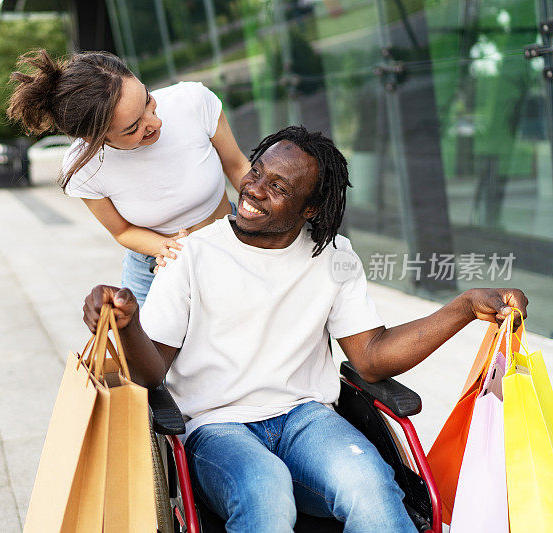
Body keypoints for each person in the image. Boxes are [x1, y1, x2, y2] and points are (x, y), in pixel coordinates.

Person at [81, 125, 529, 532]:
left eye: (278, 187)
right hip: (217, 425)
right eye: (256, 172)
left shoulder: (333, 257)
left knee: (372, 486)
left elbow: (371, 358)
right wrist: (127, 325)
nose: (252, 190)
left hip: (306, 417)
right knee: (266, 489)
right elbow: (152, 373)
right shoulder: (191, 255)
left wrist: (463, 307)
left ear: (311, 208)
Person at [7, 50, 250, 305]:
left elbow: (237, 166)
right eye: (133, 128)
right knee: (151, 344)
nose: (155, 123)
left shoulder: (192, 101)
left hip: (230, 243)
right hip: (153, 271)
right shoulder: (83, 167)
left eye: (147, 100)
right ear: (94, 139)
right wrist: (167, 249)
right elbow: (122, 231)